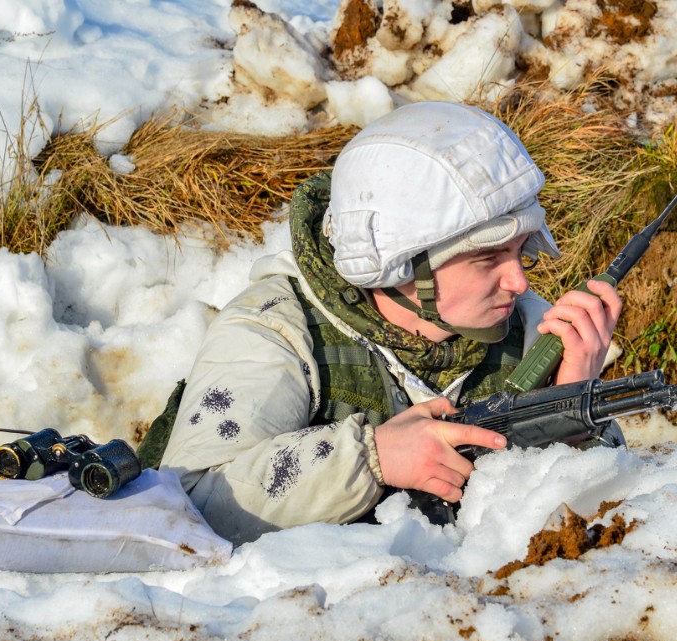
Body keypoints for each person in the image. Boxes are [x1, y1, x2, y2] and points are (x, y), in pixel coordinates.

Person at [158, 101, 622, 545]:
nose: (519, 282)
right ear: (402, 264)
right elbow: (190, 503)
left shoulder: (533, 331)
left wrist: (573, 412)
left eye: (521, 251)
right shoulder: (277, 329)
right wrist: (371, 458)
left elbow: (596, 526)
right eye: (487, 258)